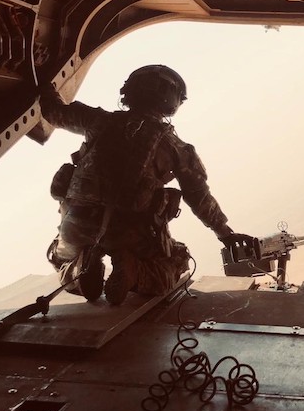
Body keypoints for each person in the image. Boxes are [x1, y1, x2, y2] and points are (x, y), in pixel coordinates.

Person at [39, 64, 258, 305]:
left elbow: (53, 112)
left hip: (77, 223)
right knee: (176, 262)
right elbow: (199, 197)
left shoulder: (98, 121)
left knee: (60, 259)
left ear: (129, 92)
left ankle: (82, 268)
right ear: (171, 101)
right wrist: (224, 234)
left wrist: (45, 84)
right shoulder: (176, 147)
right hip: (131, 230)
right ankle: (134, 273)